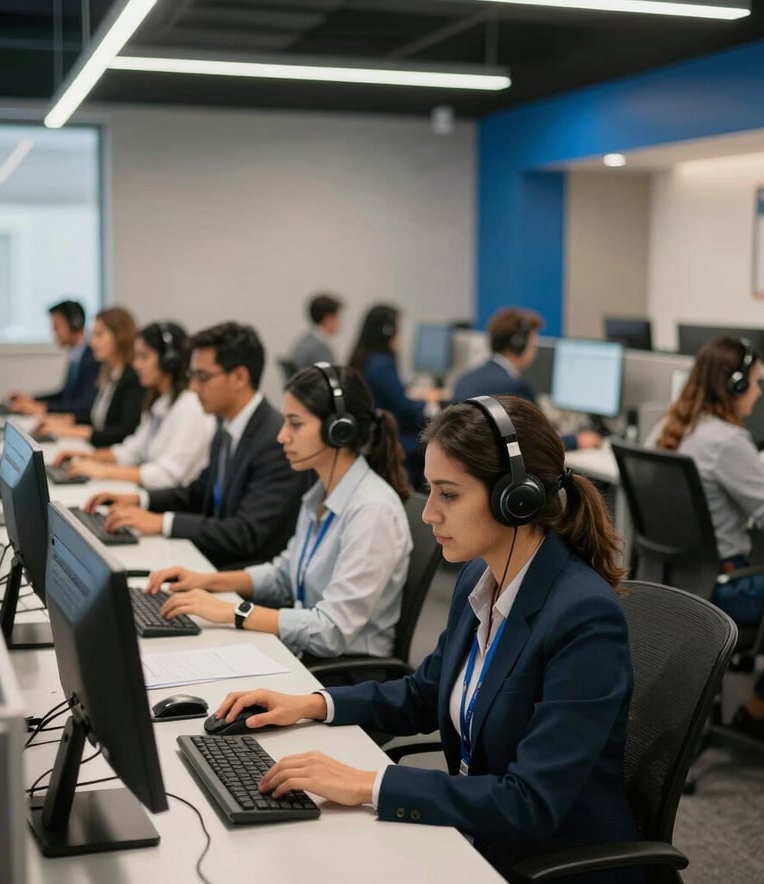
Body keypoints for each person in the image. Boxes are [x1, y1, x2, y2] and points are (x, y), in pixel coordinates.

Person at [212, 394, 642, 883]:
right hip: (476, 833)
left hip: (543, 861)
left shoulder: (583, 619)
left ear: (516, 499)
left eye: (449, 494)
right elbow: (423, 693)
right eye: (430, 491)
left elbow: (529, 803)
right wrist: (311, 703)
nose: (429, 513)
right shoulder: (480, 579)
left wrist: (367, 783)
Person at [145, 364, 413, 662]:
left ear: (339, 431)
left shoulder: (372, 512)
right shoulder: (319, 494)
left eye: (295, 424)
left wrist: (233, 611)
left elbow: (331, 631)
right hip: (302, 653)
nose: (281, 436)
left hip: (344, 676)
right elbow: (283, 575)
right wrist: (206, 580)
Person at [84, 321, 309, 569]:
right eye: (193, 376)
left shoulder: (274, 440)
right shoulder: (227, 426)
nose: (193, 386)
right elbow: (197, 494)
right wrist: (139, 500)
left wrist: (162, 523)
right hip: (215, 560)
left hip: (242, 575)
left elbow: (246, 533)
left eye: (202, 377)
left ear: (239, 377)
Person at [646, 335, 764, 740]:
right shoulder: (730, 442)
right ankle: (758, 705)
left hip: (672, 581)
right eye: (756, 382)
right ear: (734, 385)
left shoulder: (666, 426)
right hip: (724, 587)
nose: (759, 392)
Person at [51, 322, 215, 489]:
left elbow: (167, 475)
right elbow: (132, 450)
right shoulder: (160, 401)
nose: (136, 364)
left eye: (144, 357)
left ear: (169, 361)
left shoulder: (190, 407)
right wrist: (88, 457)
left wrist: (104, 471)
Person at [452, 307, 601, 451]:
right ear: (518, 344)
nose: (534, 349)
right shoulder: (515, 388)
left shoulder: (465, 379)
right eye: (532, 342)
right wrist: (576, 441)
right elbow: (541, 442)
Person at [349, 304, 446, 488]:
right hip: (391, 439)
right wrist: (430, 405)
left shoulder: (363, 358)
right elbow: (405, 409)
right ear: (388, 331)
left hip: (371, 438)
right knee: (436, 436)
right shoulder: (382, 363)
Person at [34, 306, 145, 447]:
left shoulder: (133, 378)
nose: (92, 342)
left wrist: (75, 431)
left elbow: (124, 432)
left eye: (99, 335)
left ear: (119, 336)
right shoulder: (108, 373)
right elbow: (96, 417)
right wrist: (66, 421)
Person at [8, 299, 99, 420]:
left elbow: (85, 404)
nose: (54, 332)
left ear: (75, 324)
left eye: (57, 326)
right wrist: (33, 399)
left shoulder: (93, 357)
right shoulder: (77, 354)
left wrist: (44, 407)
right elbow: (66, 395)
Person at [288, 292, 343, 371]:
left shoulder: (305, 341)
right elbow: (332, 379)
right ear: (328, 319)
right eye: (338, 317)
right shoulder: (320, 349)